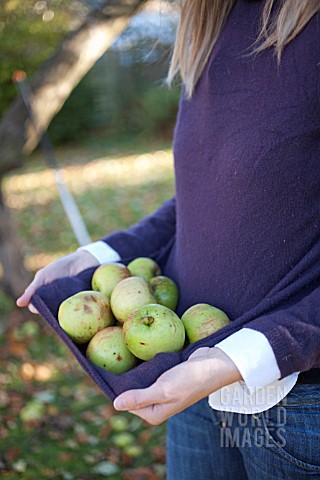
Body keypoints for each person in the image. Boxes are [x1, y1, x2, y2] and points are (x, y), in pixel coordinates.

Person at [17, 0, 320, 478]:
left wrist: (239, 358)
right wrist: (96, 256)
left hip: (296, 396)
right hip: (188, 373)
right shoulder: (211, 24)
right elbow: (207, 197)